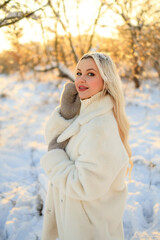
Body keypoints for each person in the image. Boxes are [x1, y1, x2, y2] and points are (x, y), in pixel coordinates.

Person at [40, 52, 133, 240]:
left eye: (91, 74)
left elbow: (84, 185)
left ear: (106, 81)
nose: (81, 80)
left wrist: (54, 158)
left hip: (88, 231)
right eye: (78, 73)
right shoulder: (85, 114)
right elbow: (54, 141)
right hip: (75, 223)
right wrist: (66, 114)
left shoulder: (100, 127)